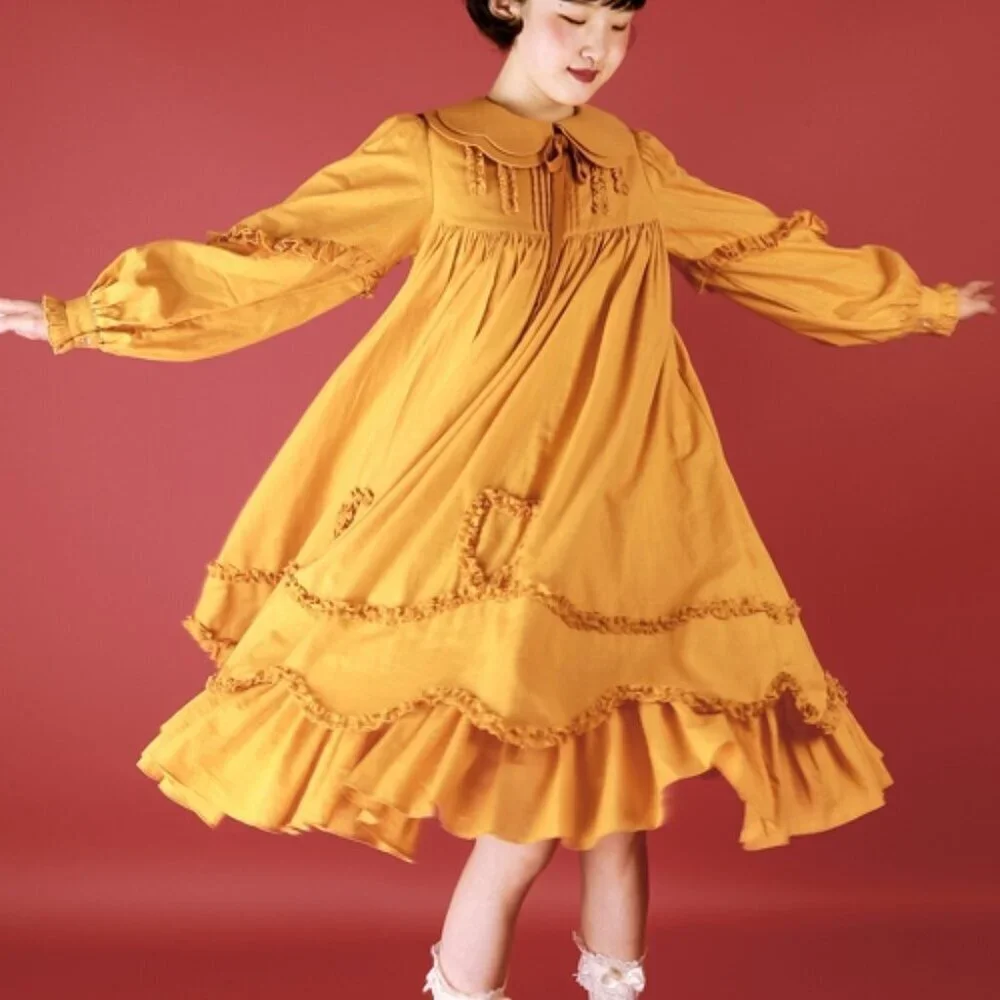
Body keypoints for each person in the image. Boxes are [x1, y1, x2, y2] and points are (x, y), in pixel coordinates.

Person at [2, 0, 995, 998]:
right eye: (574, 15)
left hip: (626, 511)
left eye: (619, 24)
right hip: (485, 518)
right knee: (528, 819)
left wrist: (924, 304)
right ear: (510, 5)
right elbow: (283, 254)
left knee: (618, 811)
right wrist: (87, 317)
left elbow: (761, 250)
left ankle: (613, 985)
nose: (597, 47)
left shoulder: (637, 165)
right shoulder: (431, 151)